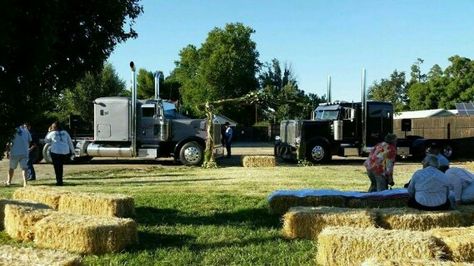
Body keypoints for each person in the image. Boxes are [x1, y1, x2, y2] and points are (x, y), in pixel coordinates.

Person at [44, 121, 75, 186]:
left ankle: (59, 181)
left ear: (54, 127)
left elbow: (46, 140)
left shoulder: (52, 133)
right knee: (60, 166)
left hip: (56, 151)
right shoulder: (65, 133)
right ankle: (60, 180)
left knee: (56, 167)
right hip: (64, 152)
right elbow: (70, 142)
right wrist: (73, 152)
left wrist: (49, 131)